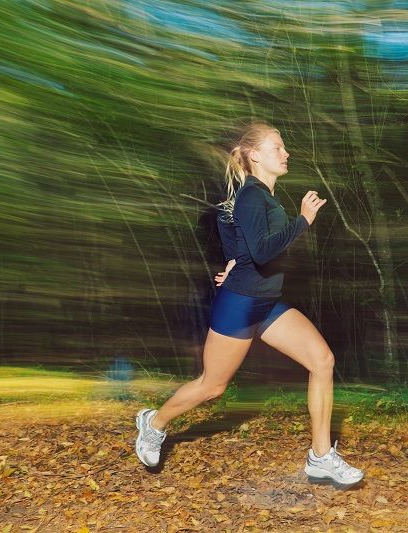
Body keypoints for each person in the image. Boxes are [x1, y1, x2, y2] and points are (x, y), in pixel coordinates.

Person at [134, 122, 363, 486]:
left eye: (284, 148)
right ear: (255, 155)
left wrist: (233, 263)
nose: (285, 153)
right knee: (212, 386)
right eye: (277, 147)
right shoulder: (253, 195)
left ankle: (320, 456)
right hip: (240, 306)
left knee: (322, 361)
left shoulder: (259, 197)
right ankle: (154, 423)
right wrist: (302, 220)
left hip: (267, 303)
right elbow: (263, 249)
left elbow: (241, 241)